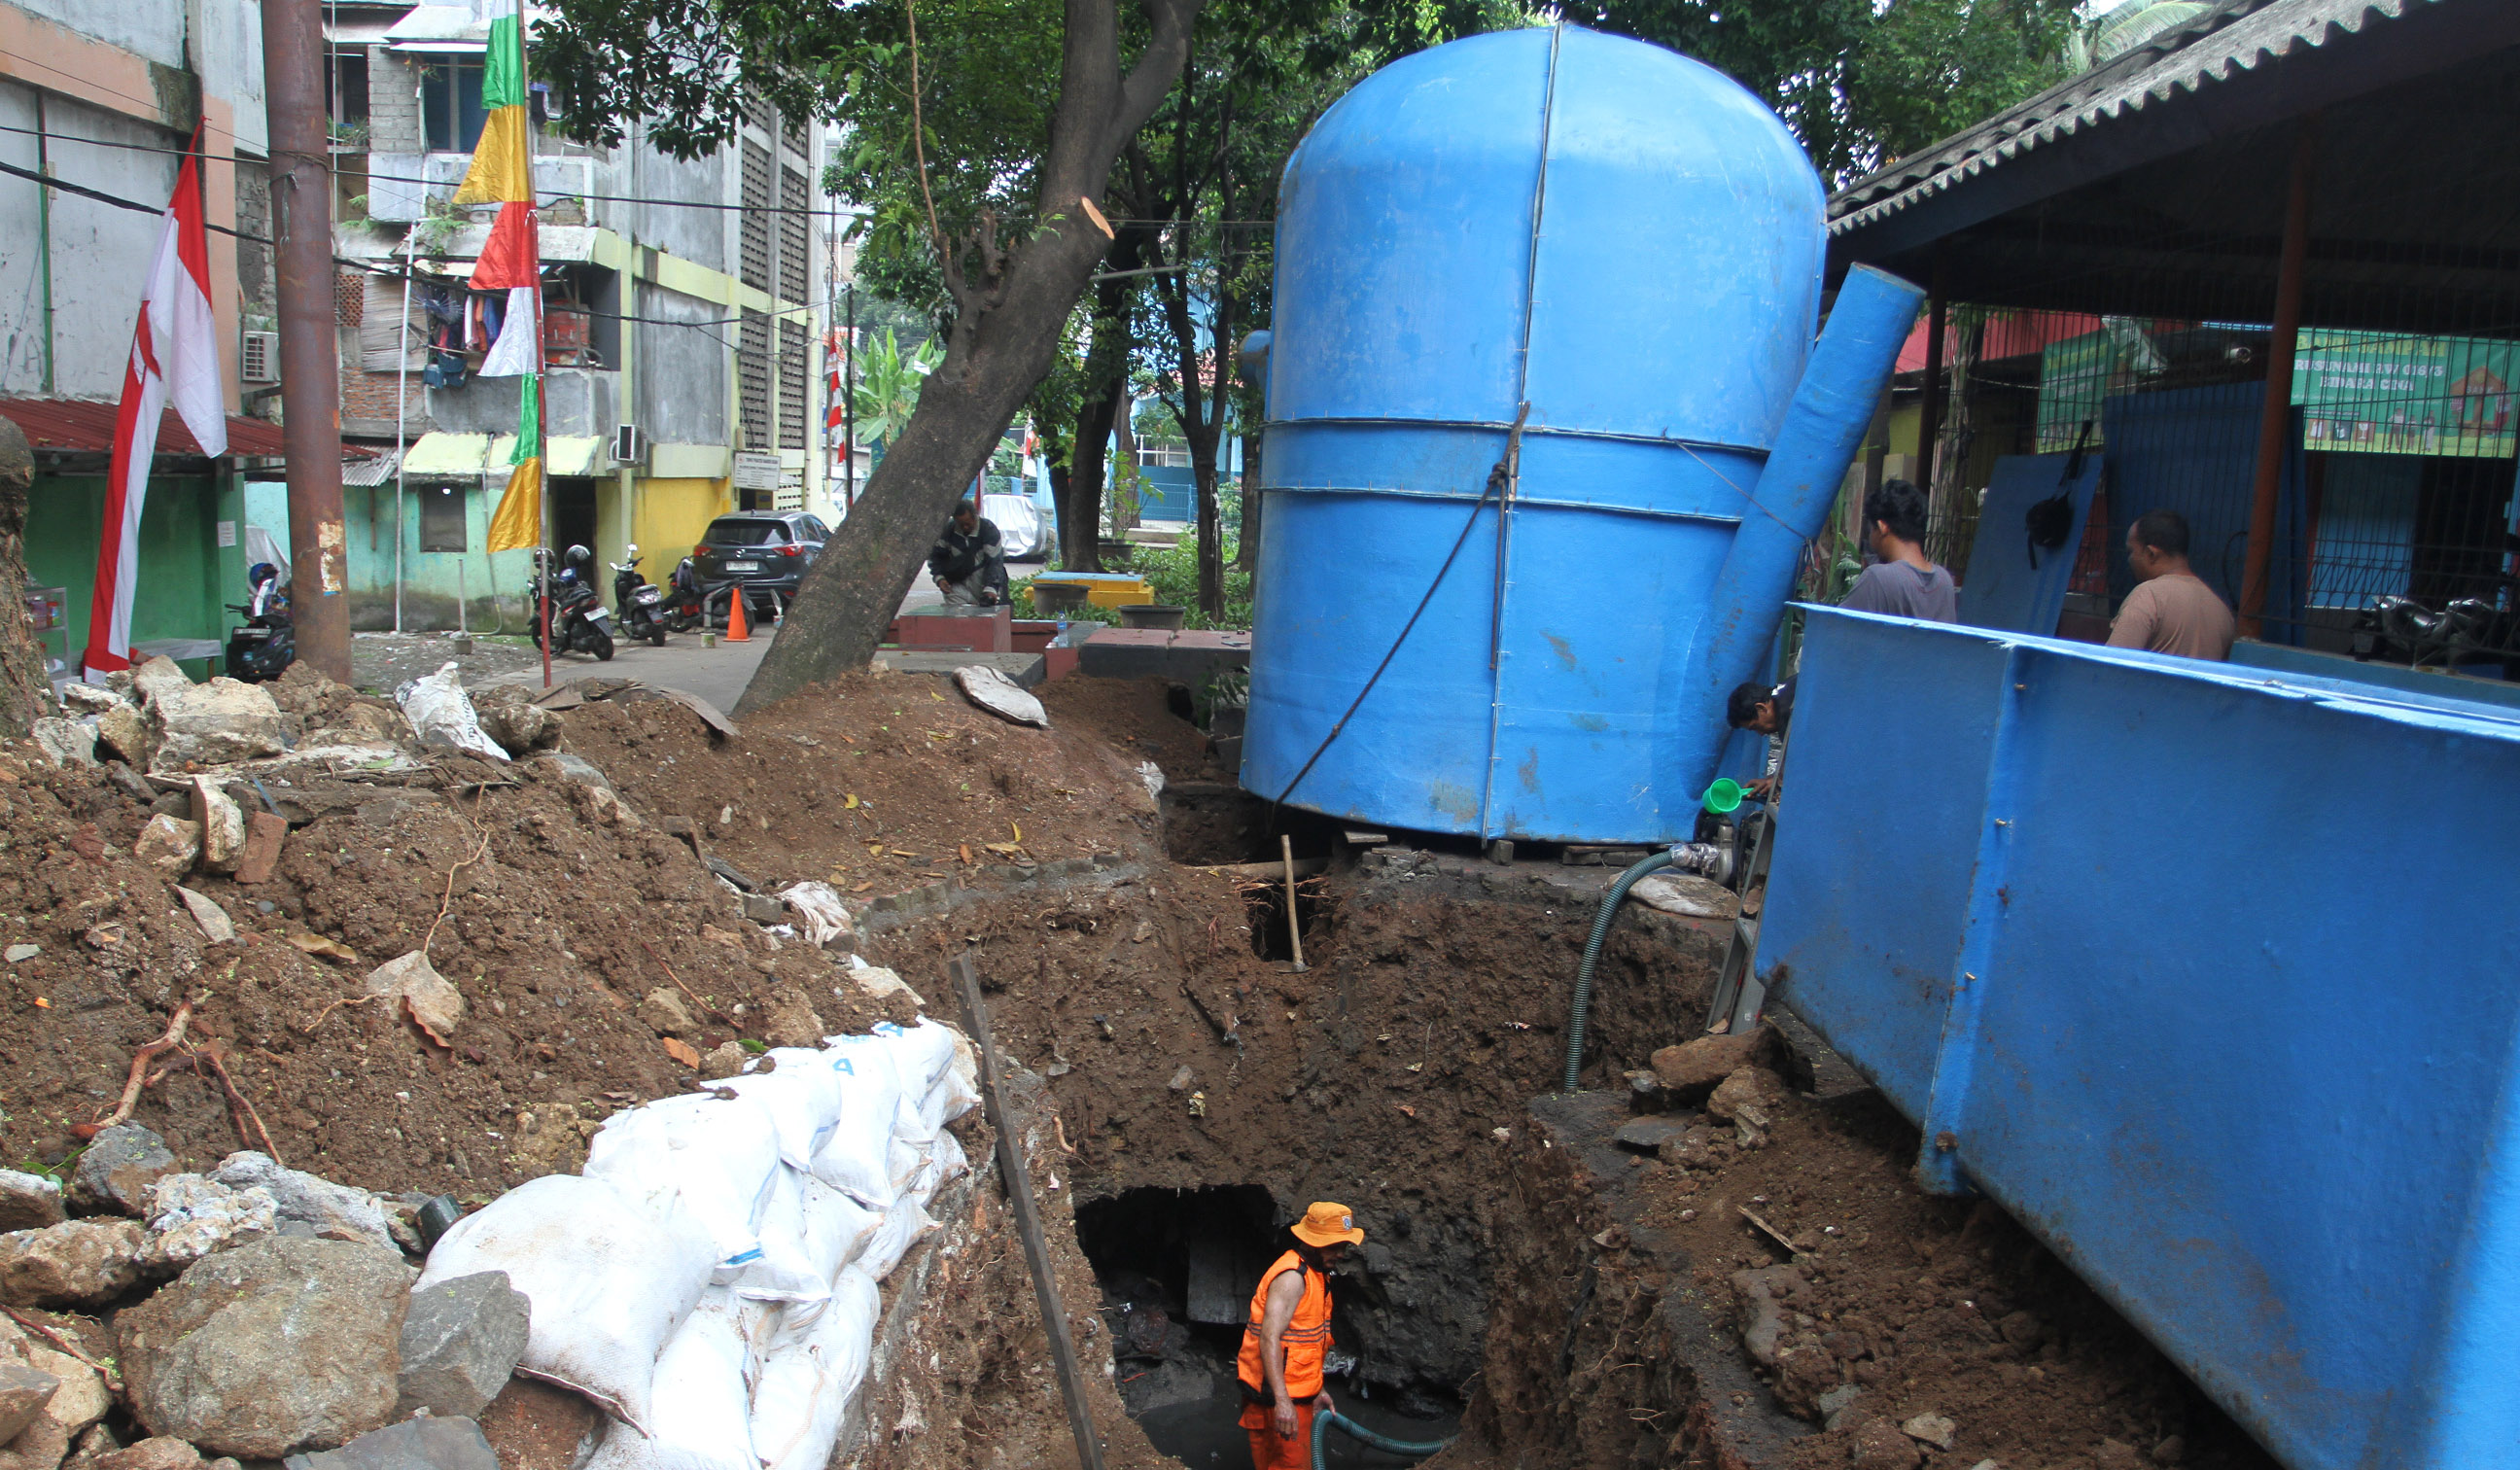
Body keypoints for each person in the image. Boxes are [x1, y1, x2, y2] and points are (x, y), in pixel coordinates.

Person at [1236, 1202, 1364, 1470]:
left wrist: (1318, 1389)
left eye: (1343, 1246)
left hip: (1288, 1394)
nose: (1341, 1253)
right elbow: (1269, 1338)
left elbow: (1304, 1343)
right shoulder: (1293, 1278)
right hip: (1279, 1398)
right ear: (1314, 1242)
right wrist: (1282, 1402)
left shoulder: (1316, 1274)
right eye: (1335, 1246)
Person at [2109, 508, 2236, 660]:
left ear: (2151, 553)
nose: (2129, 560)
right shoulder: (2221, 610)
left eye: (2131, 552)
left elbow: (2113, 664)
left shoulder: (2148, 596)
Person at [1839, 479, 1958, 622]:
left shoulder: (1879, 578)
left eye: (1871, 529)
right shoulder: (1944, 581)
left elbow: (1834, 628)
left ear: (1882, 527)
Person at [1725, 677, 1795, 799]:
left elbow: (1804, 757)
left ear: (1761, 708)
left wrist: (1779, 781)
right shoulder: (1785, 692)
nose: (1761, 734)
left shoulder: (1788, 712)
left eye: (1756, 727)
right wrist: (1773, 778)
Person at [928, 499, 1007, 607]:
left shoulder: (988, 530)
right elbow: (935, 557)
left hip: (984, 585)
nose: (965, 527)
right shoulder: (948, 531)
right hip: (958, 588)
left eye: (968, 524)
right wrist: (939, 578)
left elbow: (995, 562)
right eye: (961, 524)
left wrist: (991, 588)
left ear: (975, 516)